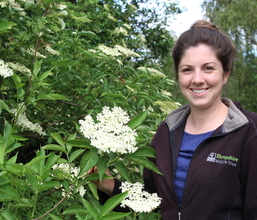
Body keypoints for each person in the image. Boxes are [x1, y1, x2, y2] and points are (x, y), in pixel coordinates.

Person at [88, 20, 257, 220]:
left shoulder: (249, 132)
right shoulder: (166, 130)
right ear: (178, 76)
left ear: (225, 74)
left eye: (208, 68)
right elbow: (151, 199)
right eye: (187, 70)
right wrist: (111, 187)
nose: (197, 79)